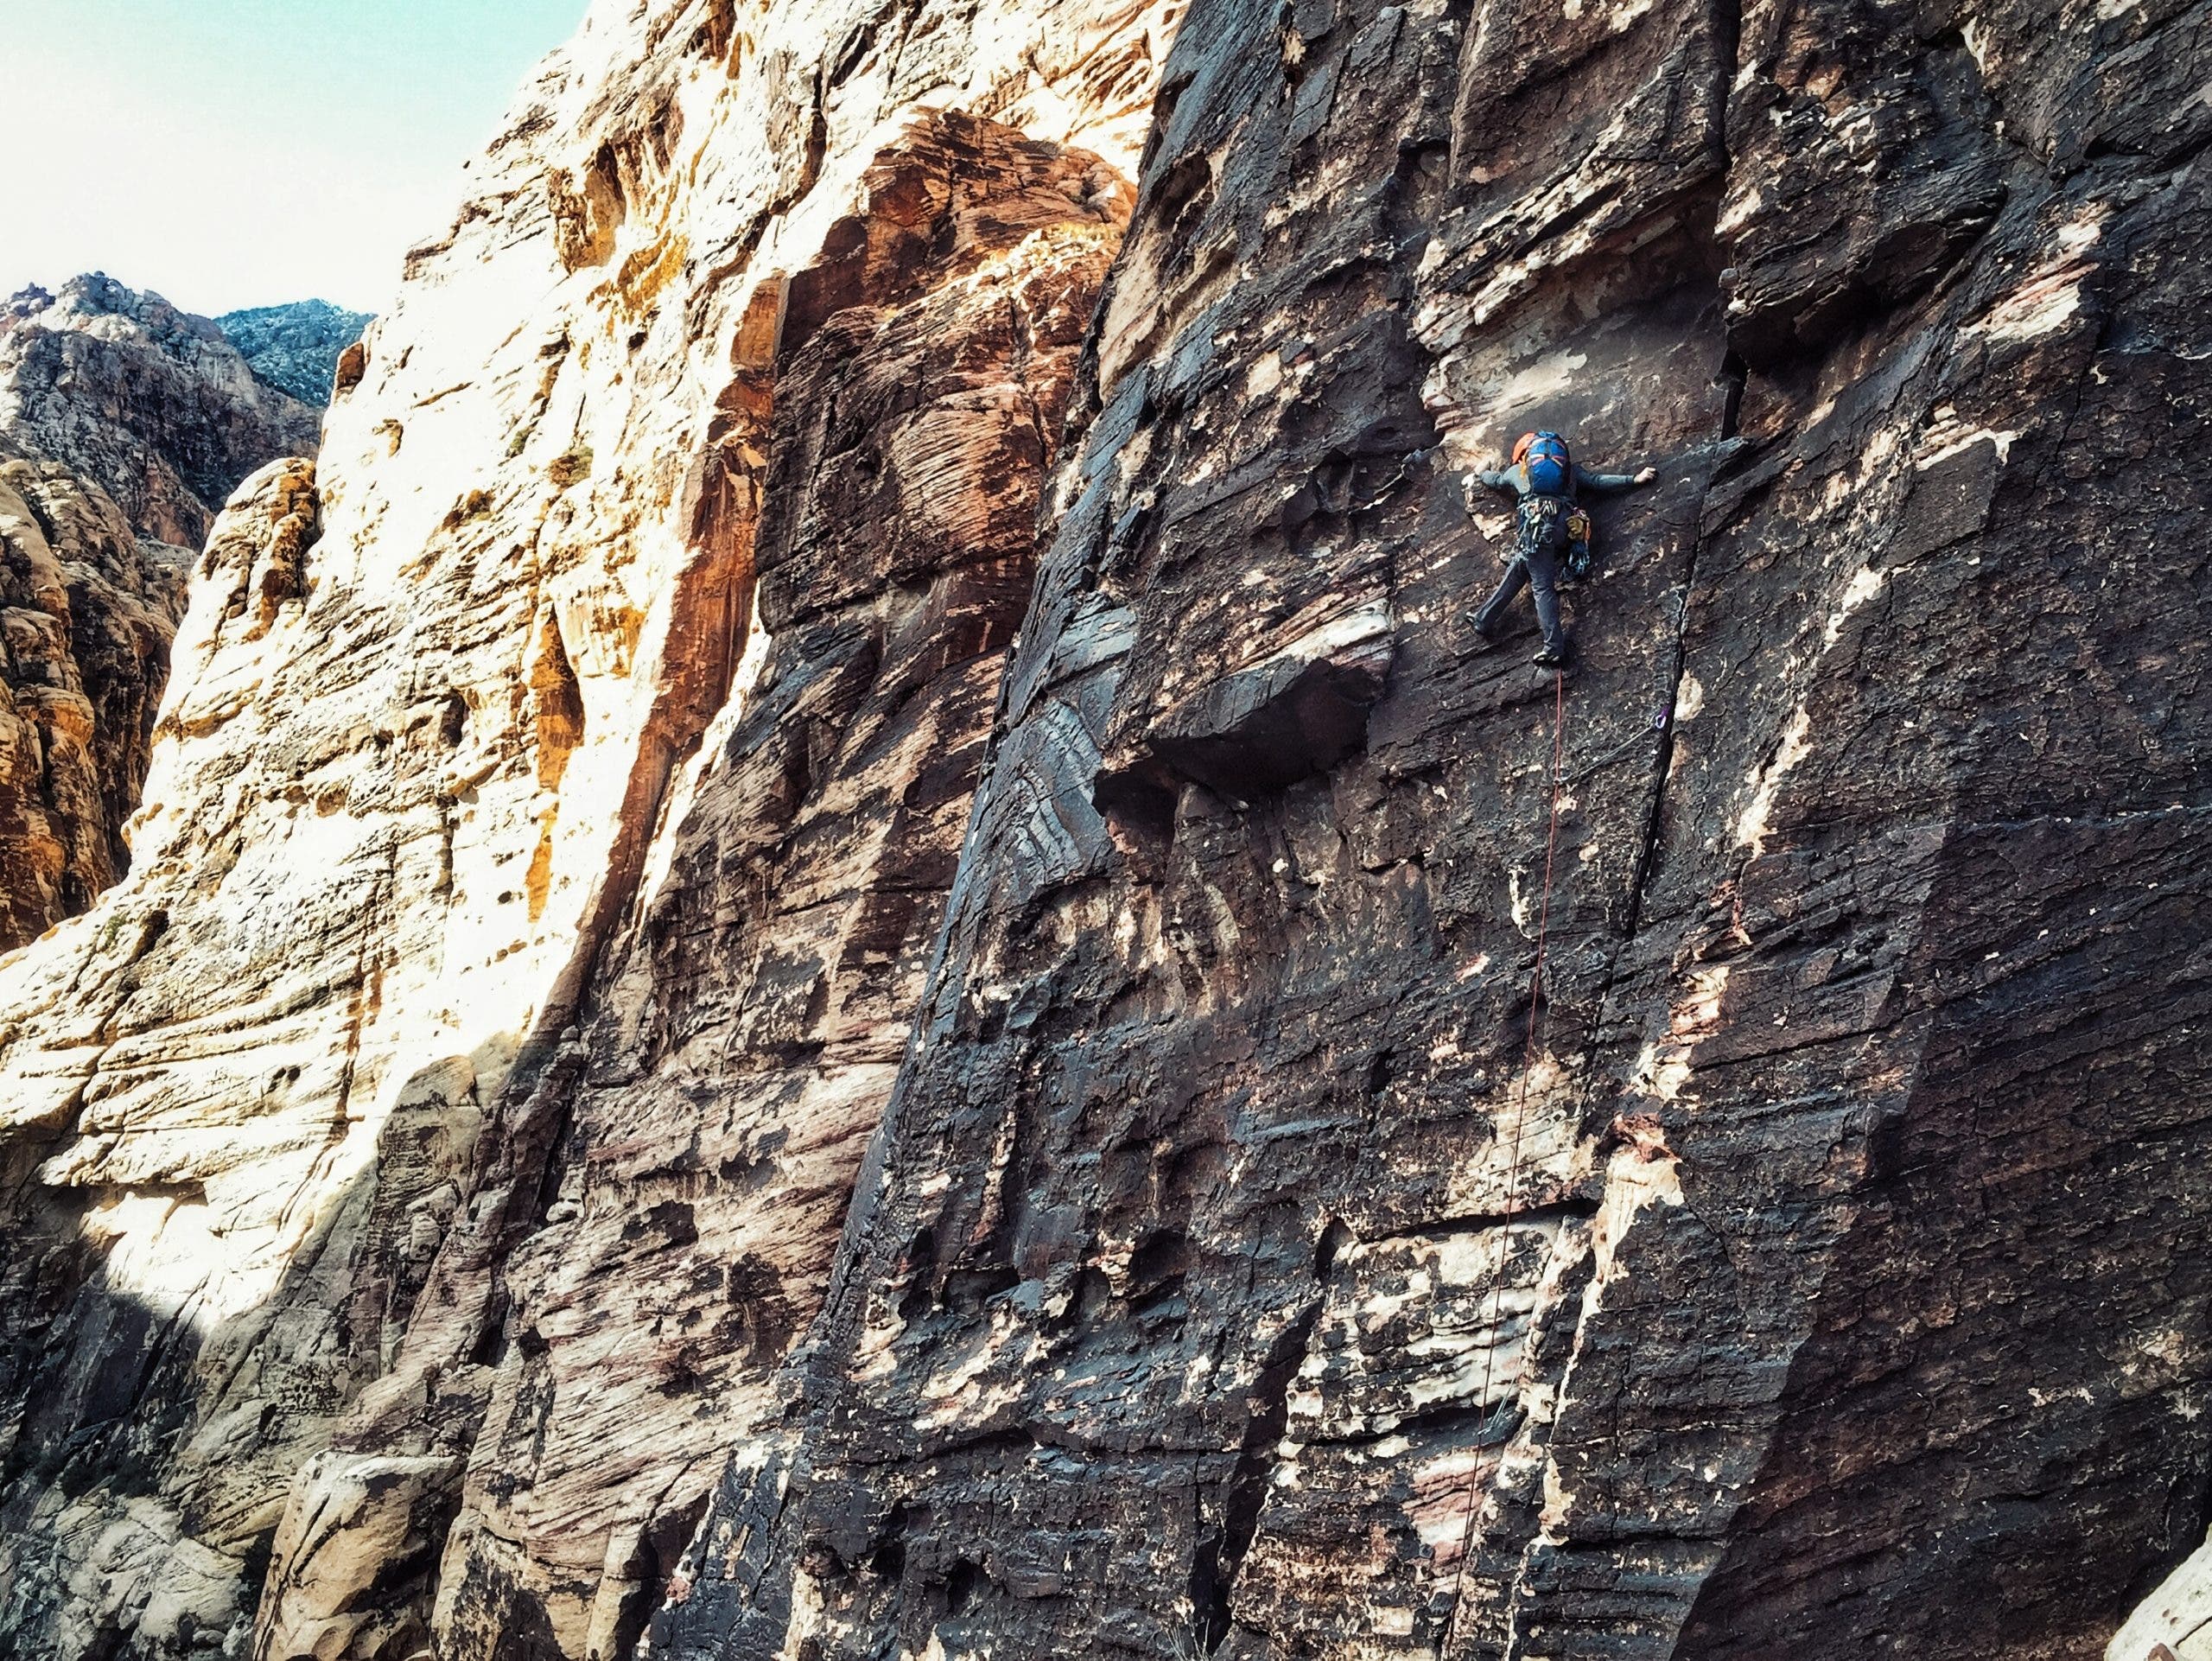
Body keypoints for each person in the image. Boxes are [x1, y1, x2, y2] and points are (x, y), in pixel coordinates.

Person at [1465, 431, 1656, 666]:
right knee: (1519, 567)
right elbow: (1597, 482)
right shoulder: (1570, 471)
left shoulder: (1520, 471)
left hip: (1537, 531)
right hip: (1565, 529)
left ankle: (1554, 647)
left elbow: (1495, 481)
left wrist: (1480, 472)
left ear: (1524, 455)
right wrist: (1633, 479)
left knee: (1542, 587)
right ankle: (1484, 618)